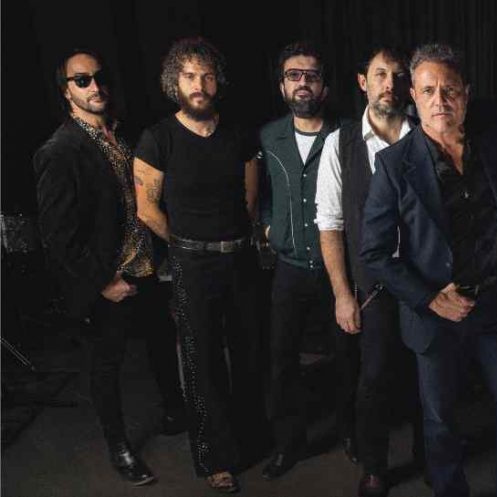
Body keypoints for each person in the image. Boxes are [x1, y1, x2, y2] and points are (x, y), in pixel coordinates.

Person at [360, 42, 497, 497]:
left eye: (450, 90)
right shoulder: (394, 165)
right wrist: (430, 298)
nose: (440, 100)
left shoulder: (494, 143)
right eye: (428, 91)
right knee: (440, 422)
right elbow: (374, 253)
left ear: (466, 94)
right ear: (413, 98)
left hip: (494, 304)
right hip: (434, 314)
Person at [33, 48, 185, 487]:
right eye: (82, 81)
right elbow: (57, 235)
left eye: (99, 77)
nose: (94, 87)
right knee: (107, 366)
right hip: (109, 278)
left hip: (147, 266)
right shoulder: (60, 151)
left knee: (161, 345)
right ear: (66, 92)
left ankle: (175, 413)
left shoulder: (125, 134)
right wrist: (102, 282)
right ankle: (119, 447)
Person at [133, 37, 265, 493]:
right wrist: (187, 244)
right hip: (191, 263)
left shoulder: (238, 135)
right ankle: (215, 458)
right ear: (175, 82)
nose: (199, 85)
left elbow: (249, 200)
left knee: (249, 353)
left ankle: (251, 440)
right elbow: (147, 209)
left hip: (239, 258)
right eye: (189, 76)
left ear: (217, 81)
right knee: (202, 362)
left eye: (207, 76)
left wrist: (230, 239)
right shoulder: (158, 138)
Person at [315, 45, 422, 497]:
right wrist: (343, 293)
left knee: (427, 373)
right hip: (372, 285)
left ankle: (429, 456)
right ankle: (375, 467)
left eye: (398, 76)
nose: (389, 84)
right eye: (380, 74)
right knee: (374, 377)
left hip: (424, 280)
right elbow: (330, 224)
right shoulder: (339, 144)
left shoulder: (426, 133)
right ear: (363, 82)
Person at [258, 40, 358, 480]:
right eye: (293, 75)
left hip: (340, 270)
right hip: (290, 269)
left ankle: (351, 432)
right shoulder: (269, 136)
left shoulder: (348, 134)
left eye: (312, 76)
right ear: (282, 86)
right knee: (282, 359)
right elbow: (261, 192)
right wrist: (268, 226)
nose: (303, 83)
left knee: (347, 356)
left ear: (325, 87)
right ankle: (289, 443)